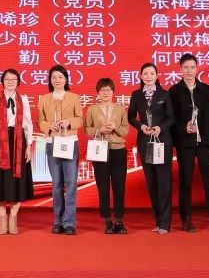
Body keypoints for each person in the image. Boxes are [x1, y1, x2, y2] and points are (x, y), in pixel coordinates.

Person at [168, 53, 209, 233]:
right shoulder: (174, 91)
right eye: (186, 67)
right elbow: (170, 118)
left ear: (197, 68)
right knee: (185, 181)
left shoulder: (206, 90)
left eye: (192, 67)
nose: (189, 71)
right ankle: (186, 219)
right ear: (180, 69)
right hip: (185, 144)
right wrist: (183, 127)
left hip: (206, 143)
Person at [0, 68, 34, 235]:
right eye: (7, 79)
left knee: (17, 181)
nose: (10, 82)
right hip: (0, 141)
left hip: (18, 141)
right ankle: (2, 218)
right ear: (2, 81)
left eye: (13, 79)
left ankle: (13, 218)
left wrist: (29, 145)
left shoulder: (24, 99)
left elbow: (28, 123)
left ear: (18, 82)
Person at [128, 62, 174, 233]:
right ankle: (158, 220)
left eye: (151, 73)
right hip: (145, 141)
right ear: (141, 76)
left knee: (164, 182)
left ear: (156, 76)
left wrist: (160, 128)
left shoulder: (164, 94)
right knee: (152, 182)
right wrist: (141, 126)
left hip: (162, 142)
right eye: (145, 73)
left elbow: (171, 117)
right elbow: (131, 117)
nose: (148, 76)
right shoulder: (136, 95)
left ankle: (165, 223)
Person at [36, 64, 82, 235]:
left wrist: (69, 122)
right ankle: (57, 221)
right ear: (50, 80)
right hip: (52, 142)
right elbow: (40, 121)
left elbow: (80, 119)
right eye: (54, 77)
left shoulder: (74, 97)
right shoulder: (44, 99)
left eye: (60, 77)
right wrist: (49, 126)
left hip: (70, 142)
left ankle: (69, 222)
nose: (57, 80)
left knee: (70, 183)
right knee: (56, 184)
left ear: (66, 79)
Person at [83, 77, 129, 234]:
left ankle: (119, 221)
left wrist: (115, 127)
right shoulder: (92, 109)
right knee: (103, 187)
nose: (105, 93)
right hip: (99, 149)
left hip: (118, 150)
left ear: (113, 92)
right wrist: (99, 131)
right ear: (98, 93)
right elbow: (87, 129)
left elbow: (125, 131)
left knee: (119, 186)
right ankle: (107, 221)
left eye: (108, 90)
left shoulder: (120, 109)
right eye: (102, 90)